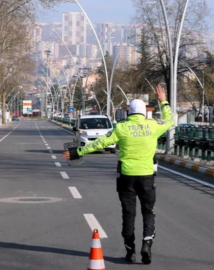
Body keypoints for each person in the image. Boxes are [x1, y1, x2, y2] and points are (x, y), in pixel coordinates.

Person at [63, 85, 173, 264]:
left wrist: (77, 152)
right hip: (147, 176)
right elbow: (170, 120)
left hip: (127, 177)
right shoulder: (153, 126)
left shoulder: (121, 128)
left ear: (129, 112)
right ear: (144, 113)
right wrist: (163, 101)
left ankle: (130, 251)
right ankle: (147, 243)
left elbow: (99, 143)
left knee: (128, 214)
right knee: (148, 211)